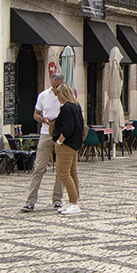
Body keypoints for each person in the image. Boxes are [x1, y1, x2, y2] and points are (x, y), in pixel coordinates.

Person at [20, 72, 66, 212]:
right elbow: (36, 114)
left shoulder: (66, 96)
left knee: (61, 169)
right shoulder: (43, 95)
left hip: (61, 135)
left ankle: (57, 199)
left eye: (57, 86)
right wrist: (42, 119)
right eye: (53, 86)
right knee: (39, 167)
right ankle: (30, 201)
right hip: (46, 134)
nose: (55, 89)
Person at [51, 83, 84, 215]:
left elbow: (68, 127)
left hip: (66, 145)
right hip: (75, 144)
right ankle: (73, 201)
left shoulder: (66, 108)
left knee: (63, 173)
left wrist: (59, 141)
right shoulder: (76, 106)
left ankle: (74, 203)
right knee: (72, 172)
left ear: (61, 94)